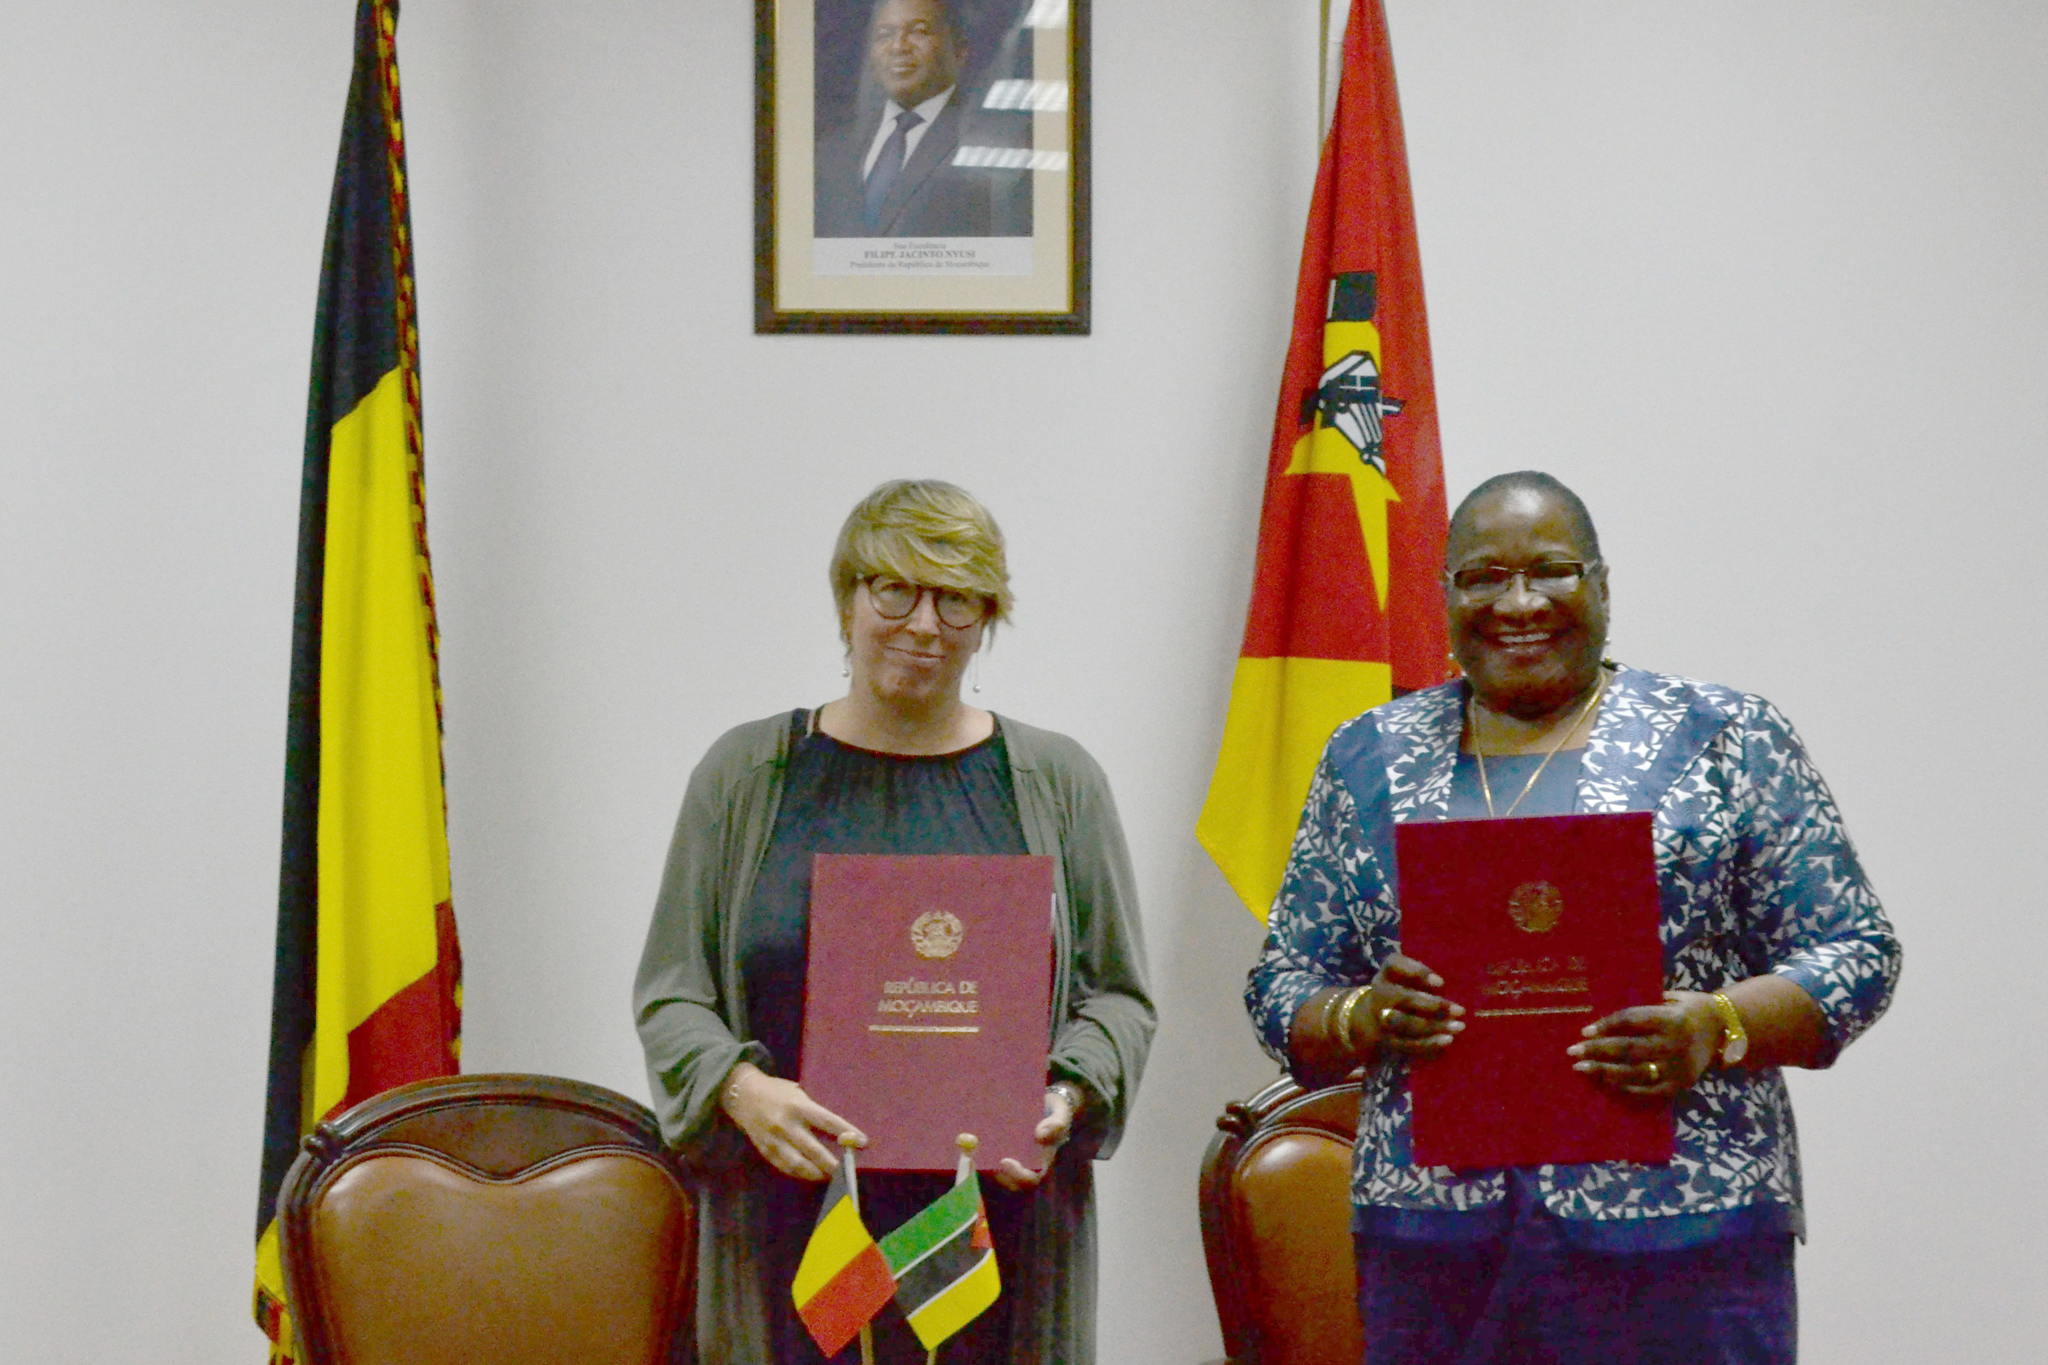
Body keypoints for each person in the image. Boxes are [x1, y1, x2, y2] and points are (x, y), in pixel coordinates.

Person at [1245, 471, 1900, 1363]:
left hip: (1685, 1236)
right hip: (1437, 1247)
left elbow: (1857, 950)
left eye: (1551, 570)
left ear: (1600, 582)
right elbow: (1282, 979)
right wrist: (1359, 1014)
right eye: (1483, 577)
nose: (1519, 603)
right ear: (1444, 595)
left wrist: (1717, 1024)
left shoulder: (1726, 737)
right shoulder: (1370, 755)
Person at [635, 478, 1153, 1364]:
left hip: (999, 1235)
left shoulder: (1059, 782)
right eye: (894, 590)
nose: (923, 624)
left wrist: (1063, 1097)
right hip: (786, 1226)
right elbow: (672, 993)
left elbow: (1119, 997)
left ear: (987, 619)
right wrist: (741, 1090)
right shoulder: (744, 774)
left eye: (956, 599)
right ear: (847, 600)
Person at [813, 0, 1029, 239]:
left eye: (919, 31)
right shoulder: (831, 153)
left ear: (959, 51)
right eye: (884, 35)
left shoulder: (994, 145)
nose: (898, 46)